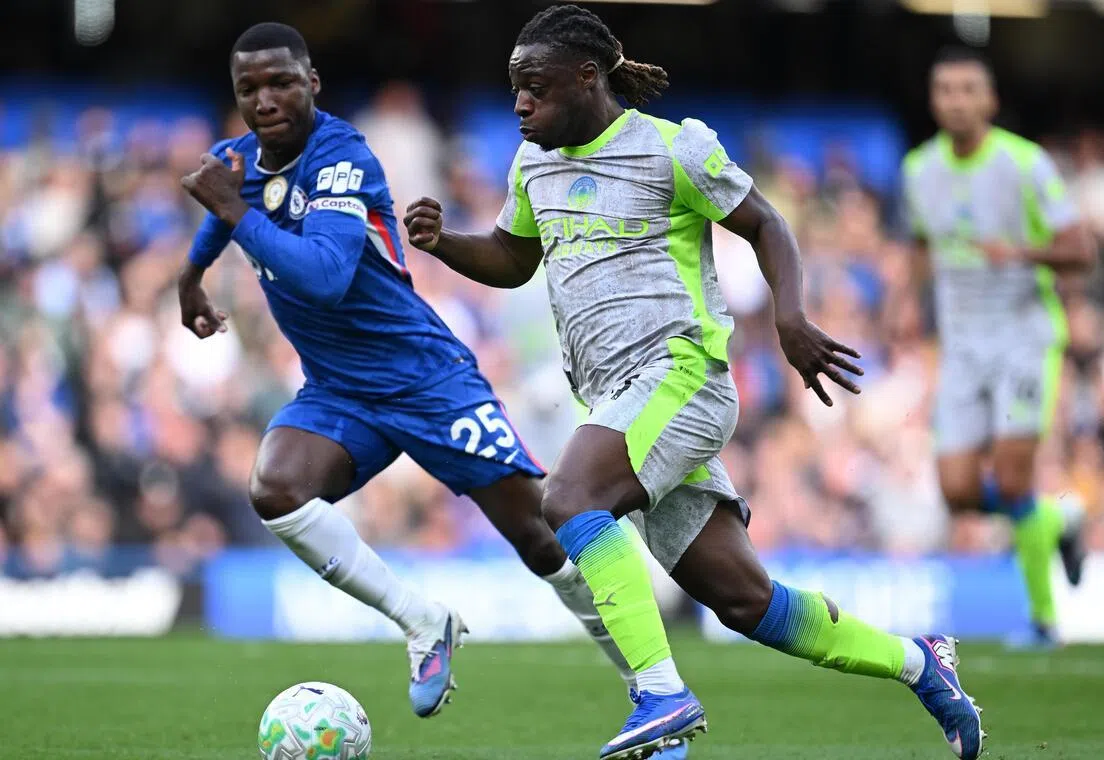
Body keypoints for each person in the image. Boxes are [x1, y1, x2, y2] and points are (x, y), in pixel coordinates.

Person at [403, 5, 984, 760]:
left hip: (682, 376)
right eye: (514, 88)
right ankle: (921, 663)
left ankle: (660, 695)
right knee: (747, 602)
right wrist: (443, 241)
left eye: (534, 87)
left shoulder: (671, 149)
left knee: (570, 498)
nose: (519, 104)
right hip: (620, 403)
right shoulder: (533, 165)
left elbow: (767, 224)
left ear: (588, 78)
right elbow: (515, 261)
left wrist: (790, 318)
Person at [178, 21, 635, 722]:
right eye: (249, 88)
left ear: (313, 84)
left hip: (425, 378)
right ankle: (422, 620)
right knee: (277, 486)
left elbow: (326, 277)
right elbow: (225, 206)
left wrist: (231, 212)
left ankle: (648, 682)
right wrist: (192, 278)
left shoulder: (342, 157)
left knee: (540, 536)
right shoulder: (238, 161)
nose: (265, 99)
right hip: (340, 390)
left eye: (281, 83)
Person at [902, 46, 1093, 649]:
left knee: (1012, 482)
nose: (955, 101)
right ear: (933, 101)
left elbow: (1081, 249)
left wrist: (1023, 254)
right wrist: (908, 298)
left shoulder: (1024, 163)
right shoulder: (917, 169)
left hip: (1023, 338)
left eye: (967, 90)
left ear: (990, 101)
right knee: (956, 490)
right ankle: (1060, 517)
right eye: (944, 90)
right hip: (962, 344)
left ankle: (1042, 621)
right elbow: (921, 242)